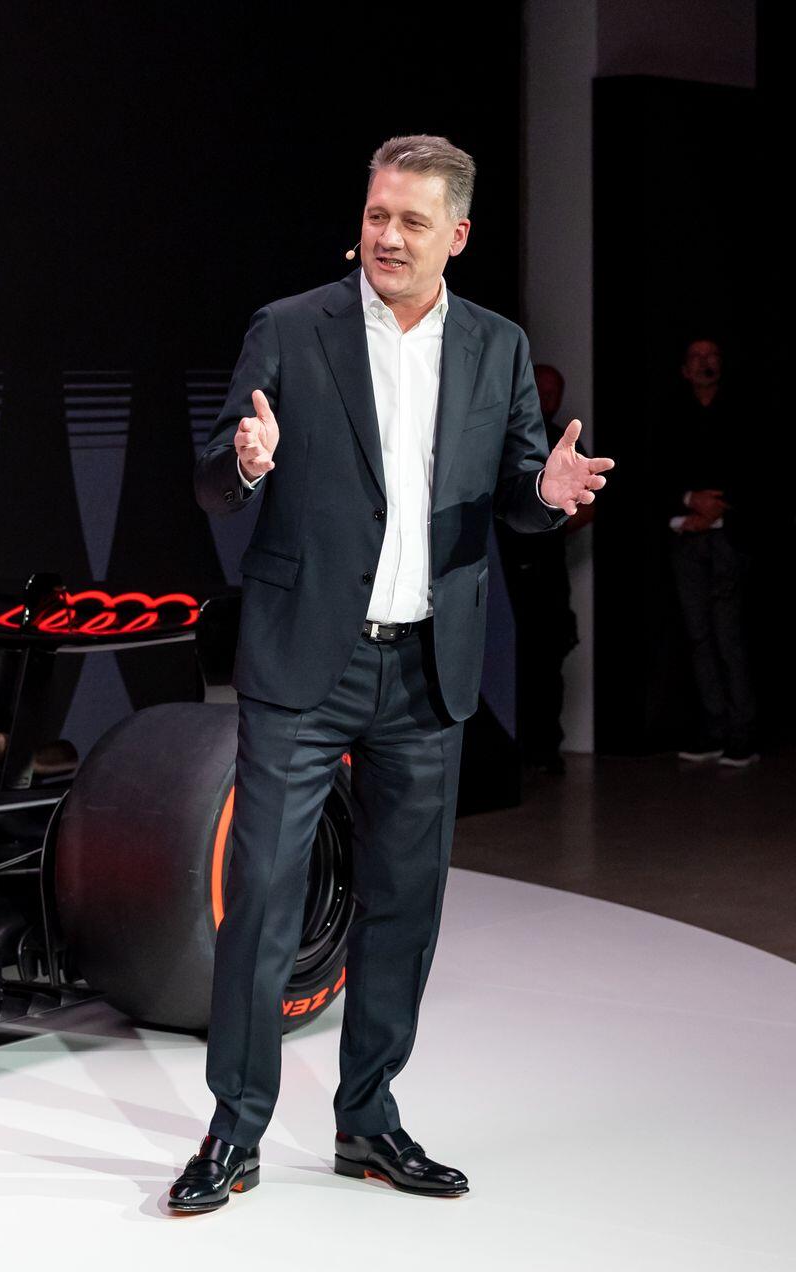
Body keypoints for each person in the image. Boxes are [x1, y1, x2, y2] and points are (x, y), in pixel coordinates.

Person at [174, 135, 612, 1213]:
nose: (387, 236)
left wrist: (544, 493)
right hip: (302, 664)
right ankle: (233, 1131)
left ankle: (367, 1120)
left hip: (425, 668)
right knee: (263, 899)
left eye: (412, 221)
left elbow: (515, 492)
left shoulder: (497, 346)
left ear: (455, 235)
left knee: (404, 905)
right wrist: (244, 462)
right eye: (377, 215)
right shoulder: (290, 328)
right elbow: (213, 481)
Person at [655, 338, 758, 768]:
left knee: (728, 634)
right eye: (696, 357)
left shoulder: (742, 412)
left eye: (712, 355)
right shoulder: (671, 416)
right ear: (684, 369)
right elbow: (656, 470)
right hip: (686, 534)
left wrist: (715, 510)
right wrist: (689, 503)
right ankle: (714, 728)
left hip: (730, 535)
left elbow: (756, 469)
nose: (705, 362)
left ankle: (742, 733)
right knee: (698, 635)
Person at [499, 364, 592, 775]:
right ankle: (509, 751)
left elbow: (590, 502)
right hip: (503, 569)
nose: (547, 399)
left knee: (547, 659)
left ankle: (544, 749)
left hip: (547, 570)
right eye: (542, 390)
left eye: (555, 392)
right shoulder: (504, 436)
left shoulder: (565, 442)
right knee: (508, 658)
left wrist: (550, 524)